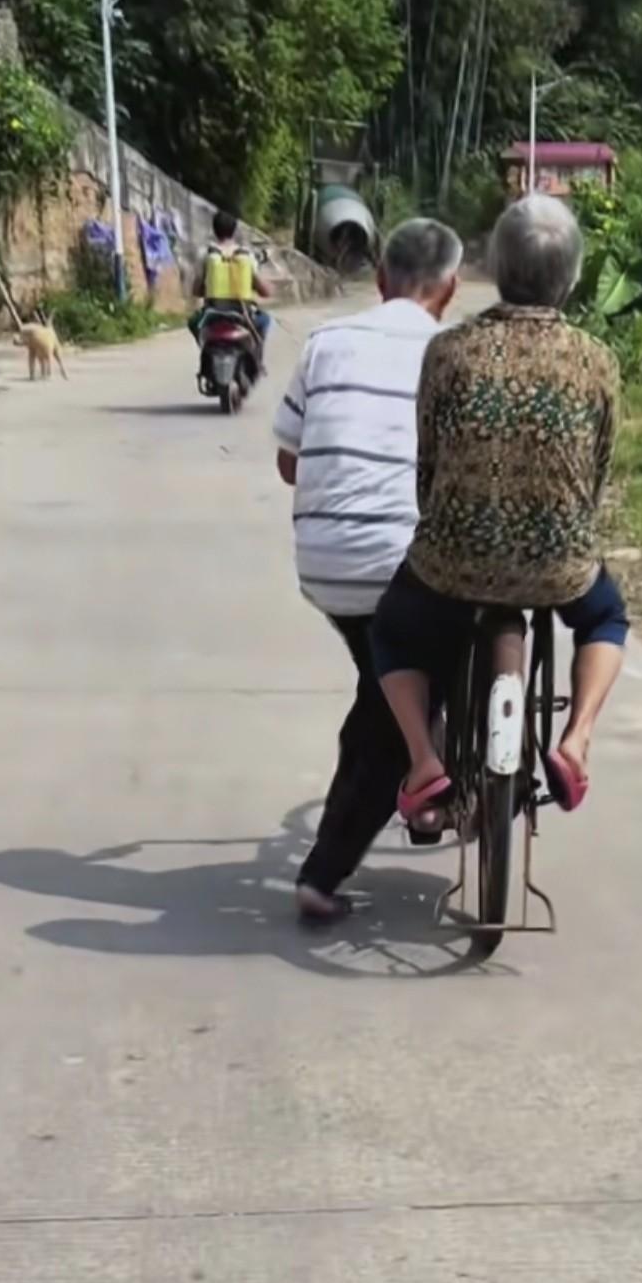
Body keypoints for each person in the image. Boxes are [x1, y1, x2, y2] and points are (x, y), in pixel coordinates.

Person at [371, 195, 629, 827]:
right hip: (559, 561)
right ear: (570, 277)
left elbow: (426, 464)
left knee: (391, 630)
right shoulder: (597, 360)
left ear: (492, 267)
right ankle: (576, 739)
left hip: (451, 559)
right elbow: (598, 468)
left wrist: (448, 524)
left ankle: (425, 760)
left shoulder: (448, 351)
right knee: (606, 618)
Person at [273, 218, 464, 922]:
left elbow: (289, 460)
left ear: (379, 279)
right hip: (403, 563)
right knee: (404, 698)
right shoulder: (454, 351)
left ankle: (419, 794)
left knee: (380, 681)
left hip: (326, 564)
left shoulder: (326, 342)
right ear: (449, 288)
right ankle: (323, 873)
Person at [189, 210, 274, 350]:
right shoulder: (247, 256)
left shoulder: (207, 255)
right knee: (265, 320)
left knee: (193, 321)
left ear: (214, 230)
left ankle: (205, 348)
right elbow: (264, 291)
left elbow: (196, 290)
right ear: (235, 230)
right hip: (242, 314)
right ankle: (257, 360)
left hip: (212, 313)